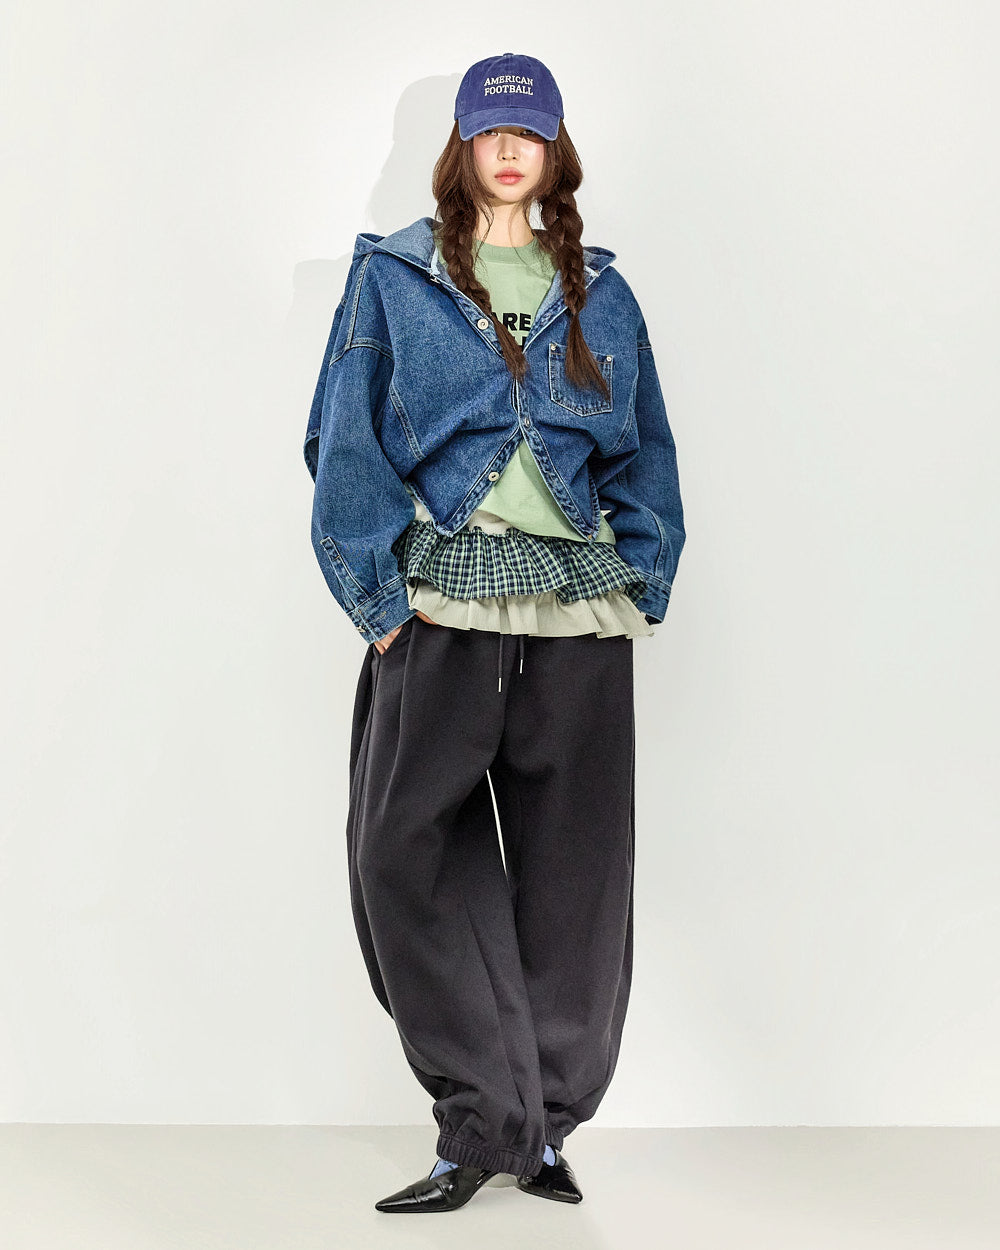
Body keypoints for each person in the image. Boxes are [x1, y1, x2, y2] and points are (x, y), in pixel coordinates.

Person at [303, 51, 685, 1213]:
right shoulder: (394, 278)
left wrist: (644, 573)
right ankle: (485, 1114)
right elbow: (342, 440)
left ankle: (542, 1126)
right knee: (401, 848)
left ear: (556, 151)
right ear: (462, 146)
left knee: (577, 865)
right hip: (443, 598)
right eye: (489, 130)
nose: (509, 149)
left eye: (529, 132)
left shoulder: (603, 294)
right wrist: (379, 600)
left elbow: (645, 451)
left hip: (577, 604)